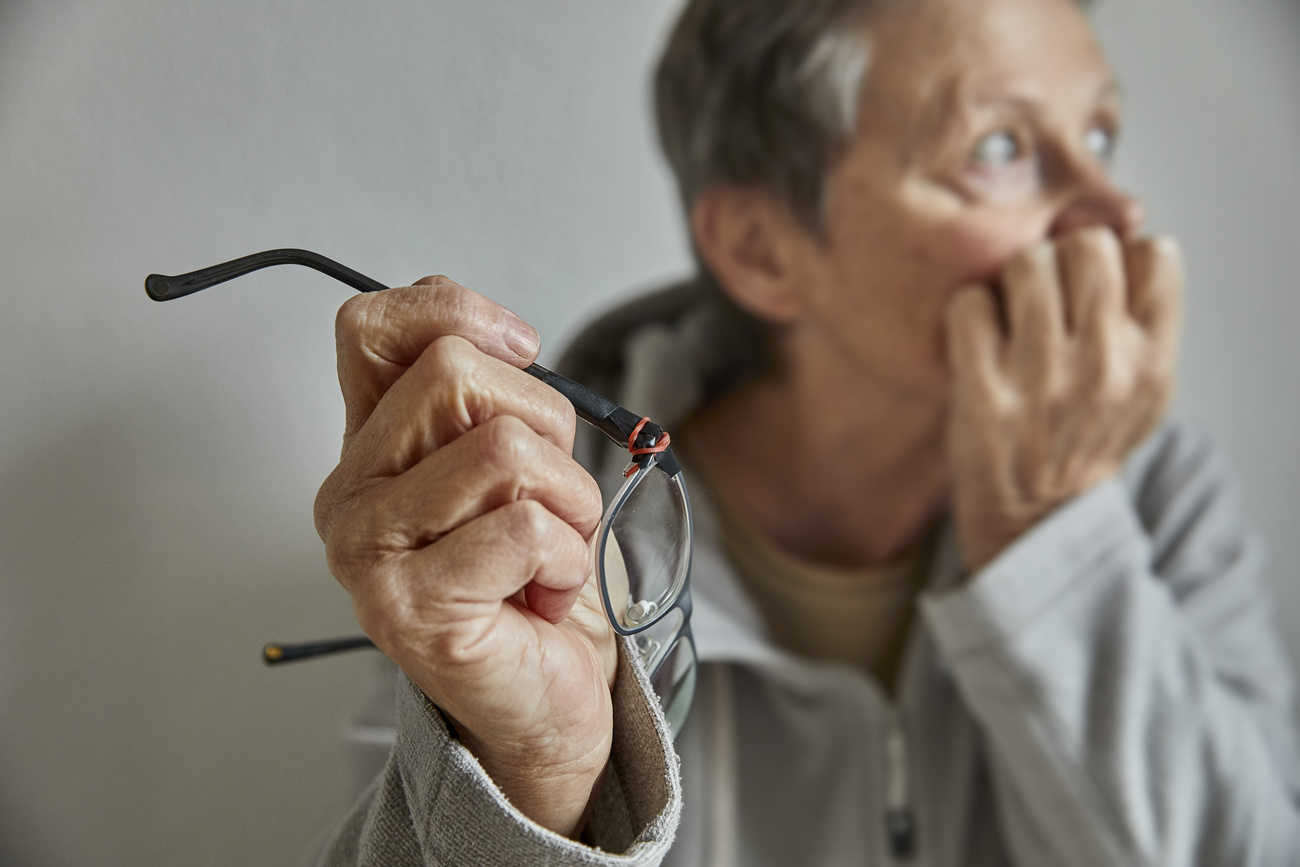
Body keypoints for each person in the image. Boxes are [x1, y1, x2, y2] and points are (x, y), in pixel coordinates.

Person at [311, 0, 1300, 863]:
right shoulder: (528, 550)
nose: (1115, 213)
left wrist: (1054, 540)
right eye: (999, 147)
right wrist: (539, 772)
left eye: (1101, 135)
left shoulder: (1155, 498)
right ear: (761, 247)